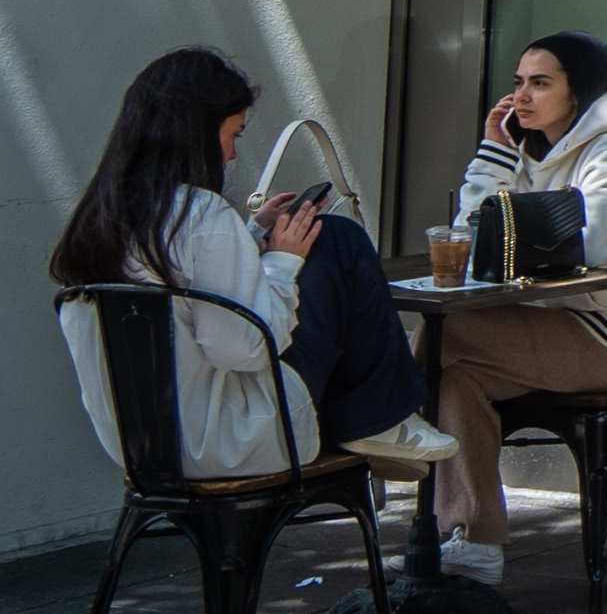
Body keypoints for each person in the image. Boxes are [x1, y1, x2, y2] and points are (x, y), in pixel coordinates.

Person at [53, 48, 460, 483]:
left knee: (315, 248)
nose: (230, 156)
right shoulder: (201, 213)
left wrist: (249, 238)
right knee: (337, 240)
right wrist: (283, 261)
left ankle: (377, 421)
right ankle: (380, 420)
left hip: (141, 449)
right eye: (234, 136)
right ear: (196, 133)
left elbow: (187, 288)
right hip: (235, 442)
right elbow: (244, 350)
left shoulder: (101, 218)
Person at [430, 31, 607, 584]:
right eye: (519, 82)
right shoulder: (530, 154)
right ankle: (472, 542)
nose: (521, 96)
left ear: (580, 91)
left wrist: (502, 237)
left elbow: (581, 249)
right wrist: (495, 153)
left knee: (446, 339)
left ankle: (376, 438)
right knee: (455, 380)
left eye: (541, 83)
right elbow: (475, 242)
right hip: (553, 326)